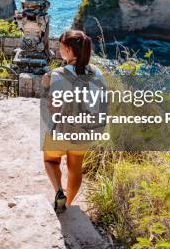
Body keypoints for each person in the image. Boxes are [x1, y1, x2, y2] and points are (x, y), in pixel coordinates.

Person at [41, 29, 106, 213]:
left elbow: (52, 108)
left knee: (51, 161)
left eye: (61, 47)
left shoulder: (57, 75)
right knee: (75, 169)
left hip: (60, 130)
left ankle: (58, 192)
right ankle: (68, 204)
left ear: (69, 50)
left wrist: (46, 87)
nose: (59, 51)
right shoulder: (97, 73)